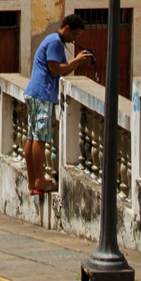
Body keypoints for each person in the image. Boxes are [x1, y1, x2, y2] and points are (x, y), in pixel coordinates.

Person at [24, 14, 94, 195]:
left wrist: (76, 62)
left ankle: (33, 181)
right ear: (67, 29)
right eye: (75, 35)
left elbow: (63, 70)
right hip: (42, 93)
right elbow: (54, 69)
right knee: (39, 137)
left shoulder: (54, 40)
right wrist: (76, 61)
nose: (75, 40)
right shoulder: (55, 42)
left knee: (32, 137)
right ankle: (39, 180)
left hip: (34, 92)